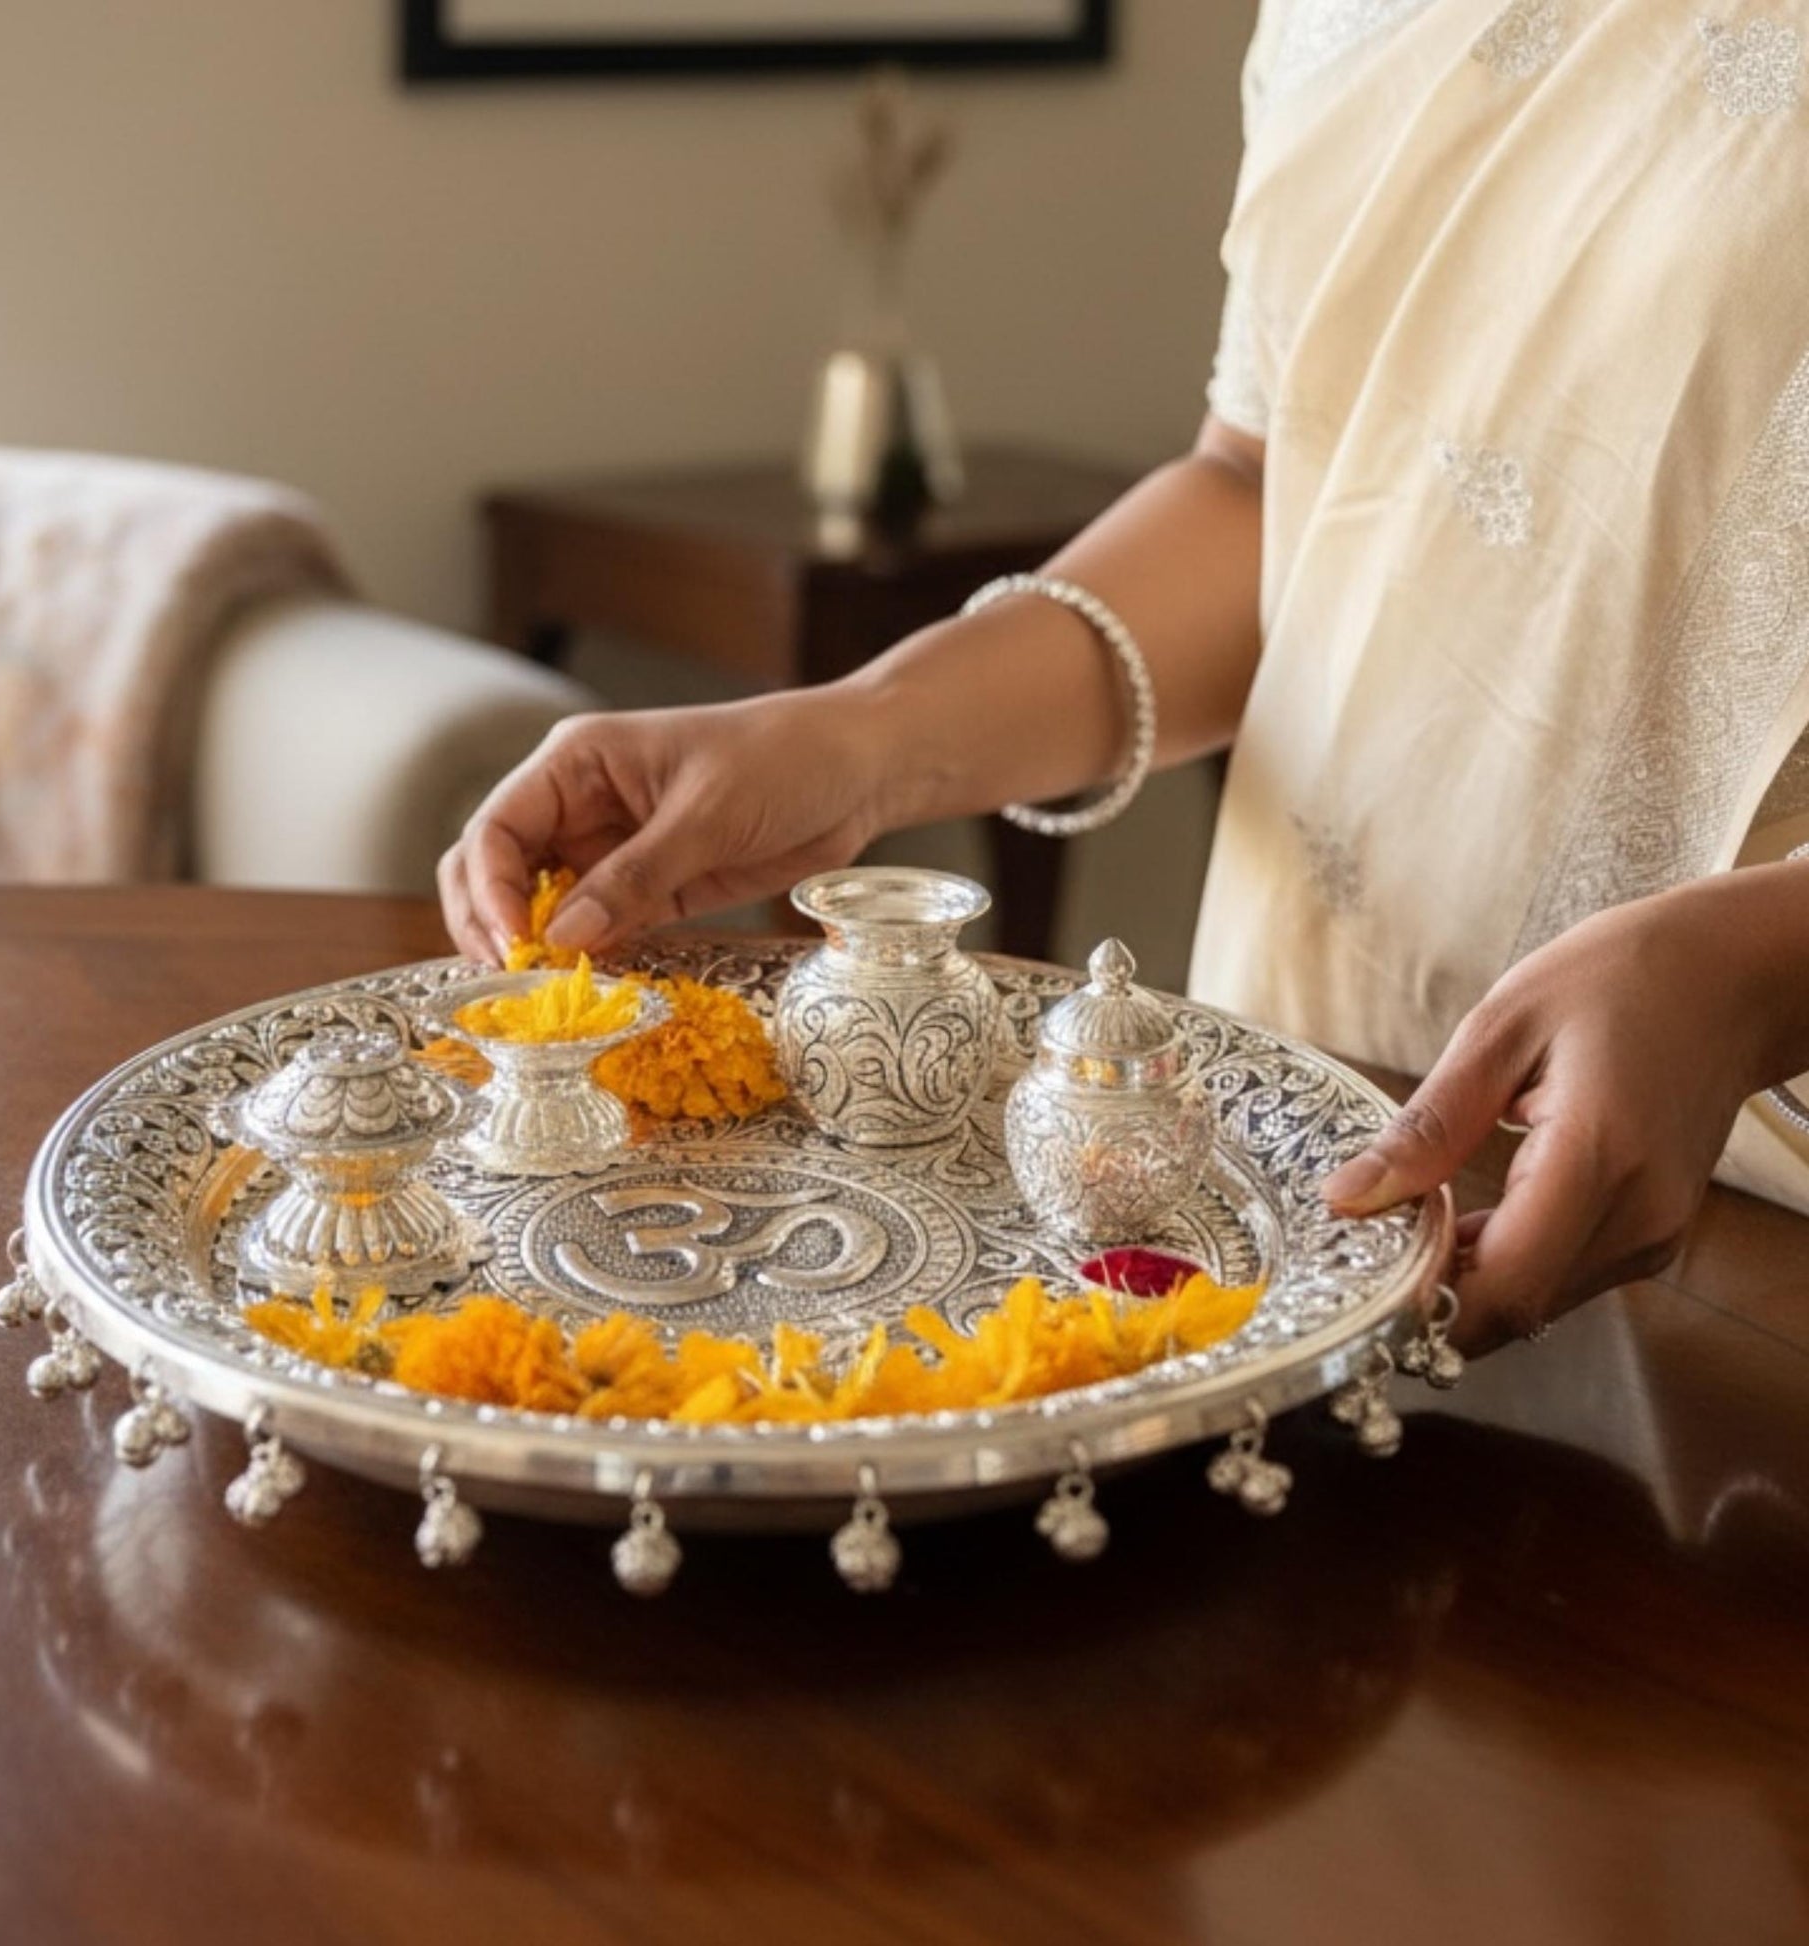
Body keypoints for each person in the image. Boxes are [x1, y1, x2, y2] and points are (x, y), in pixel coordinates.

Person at [441, 0, 1809, 1351]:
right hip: (1289, 1155)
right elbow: (1265, 490)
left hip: (1746, 1232)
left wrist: (1759, 968)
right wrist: (858, 736)